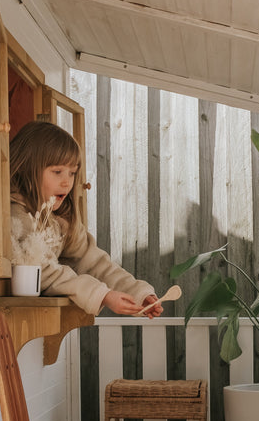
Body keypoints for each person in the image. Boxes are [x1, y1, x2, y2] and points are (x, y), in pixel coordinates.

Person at [9, 120, 162, 317]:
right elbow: (44, 272)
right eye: (57, 172)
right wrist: (102, 295)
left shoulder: (62, 222)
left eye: (72, 173)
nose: (67, 182)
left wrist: (137, 293)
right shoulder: (18, 218)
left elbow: (94, 262)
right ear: (28, 169)